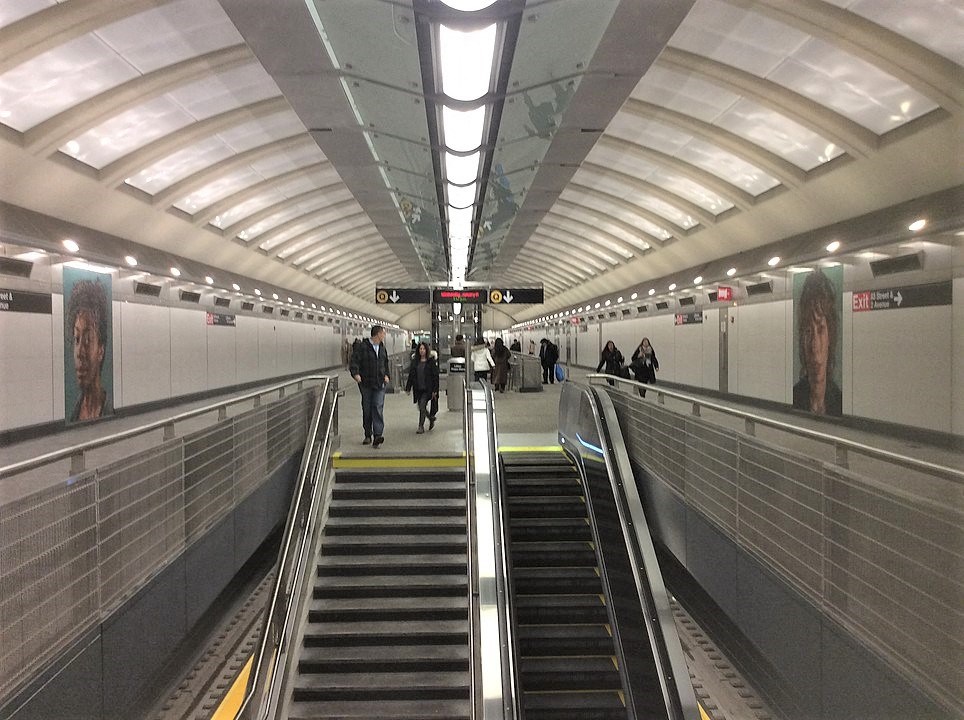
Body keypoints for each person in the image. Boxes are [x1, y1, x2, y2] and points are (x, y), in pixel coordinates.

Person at [793, 270, 842, 416]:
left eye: (820, 330)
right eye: (808, 332)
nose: (814, 346)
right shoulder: (796, 396)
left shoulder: (838, 402)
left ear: (830, 336)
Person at [67, 279, 112, 421]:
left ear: (101, 350)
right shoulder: (75, 413)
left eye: (87, 340)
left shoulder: (108, 408)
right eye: (77, 339)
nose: (80, 353)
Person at [349, 324, 391, 447]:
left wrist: (386, 375)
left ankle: (377, 435)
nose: (384, 335)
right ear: (378, 334)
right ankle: (368, 434)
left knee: (377, 407)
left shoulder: (382, 348)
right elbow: (354, 362)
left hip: (379, 383)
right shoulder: (363, 347)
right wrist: (355, 374)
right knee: (367, 409)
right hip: (366, 383)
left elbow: (385, 363)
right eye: (383, 333)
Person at [405, 341, 439, 433]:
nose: (422, 350)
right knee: (421, 407)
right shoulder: (415, 362)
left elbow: (435, 376)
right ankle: (431, 418)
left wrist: (435, 390)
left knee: (422, 405)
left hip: (428, 389)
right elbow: (411, 375)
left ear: (426, 350)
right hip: (418, 388)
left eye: (424, 349)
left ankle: (421, 426)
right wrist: (408, 387)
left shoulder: (431, 362)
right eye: (420, 349)